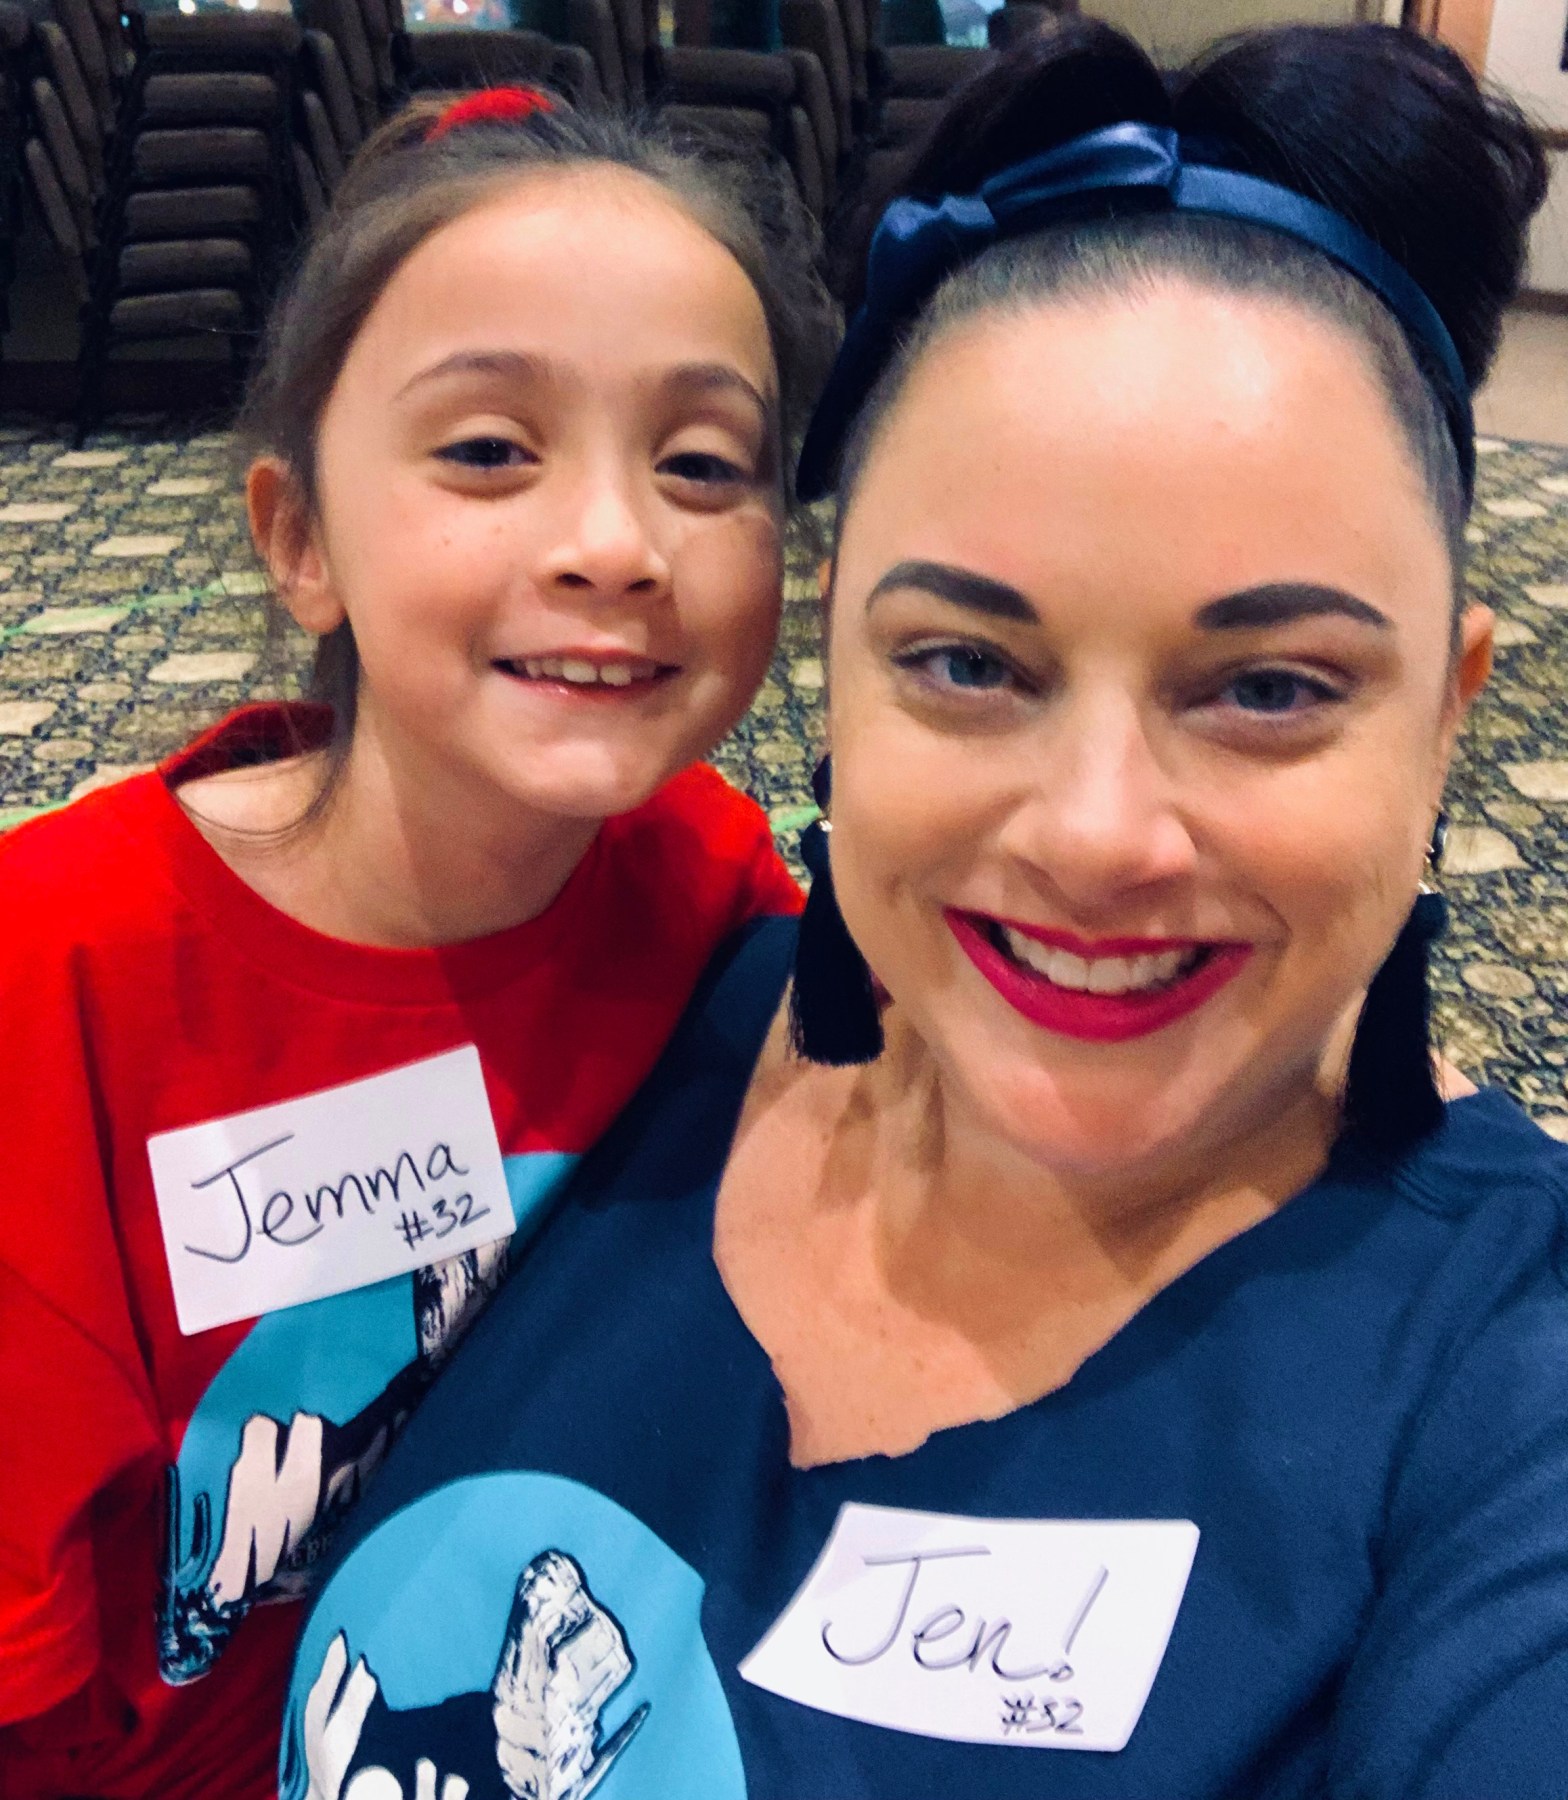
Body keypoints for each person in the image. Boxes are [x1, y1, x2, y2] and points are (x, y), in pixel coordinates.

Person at [281, 20, 1568, 1800]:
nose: (1100, 838)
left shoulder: (1508, 1371)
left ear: (1446, 715)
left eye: (1269, 689)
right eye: (968, 662)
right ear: (832, 657)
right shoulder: (616, 1017)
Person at [0, 87, 837, 1800]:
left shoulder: (707, 884)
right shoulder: (56, 978)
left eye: (702, 464)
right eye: (487, 451)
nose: (616, 546)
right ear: (300, 538)